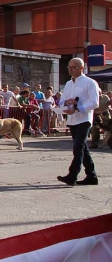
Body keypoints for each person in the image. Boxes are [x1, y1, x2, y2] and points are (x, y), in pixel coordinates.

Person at [57, 58, 100, 186]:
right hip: (72, 119)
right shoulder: (69, 84)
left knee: (78, 148)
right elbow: (61, 100)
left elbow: (94, 102)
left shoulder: (90, 83)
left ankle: (72, 175)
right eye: (69, 67)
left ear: (81, 68)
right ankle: (91, 175)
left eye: (74, 67)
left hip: (84, 119)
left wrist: (78, 107)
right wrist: (66, 103)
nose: (70, 69)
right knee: (82, 148)